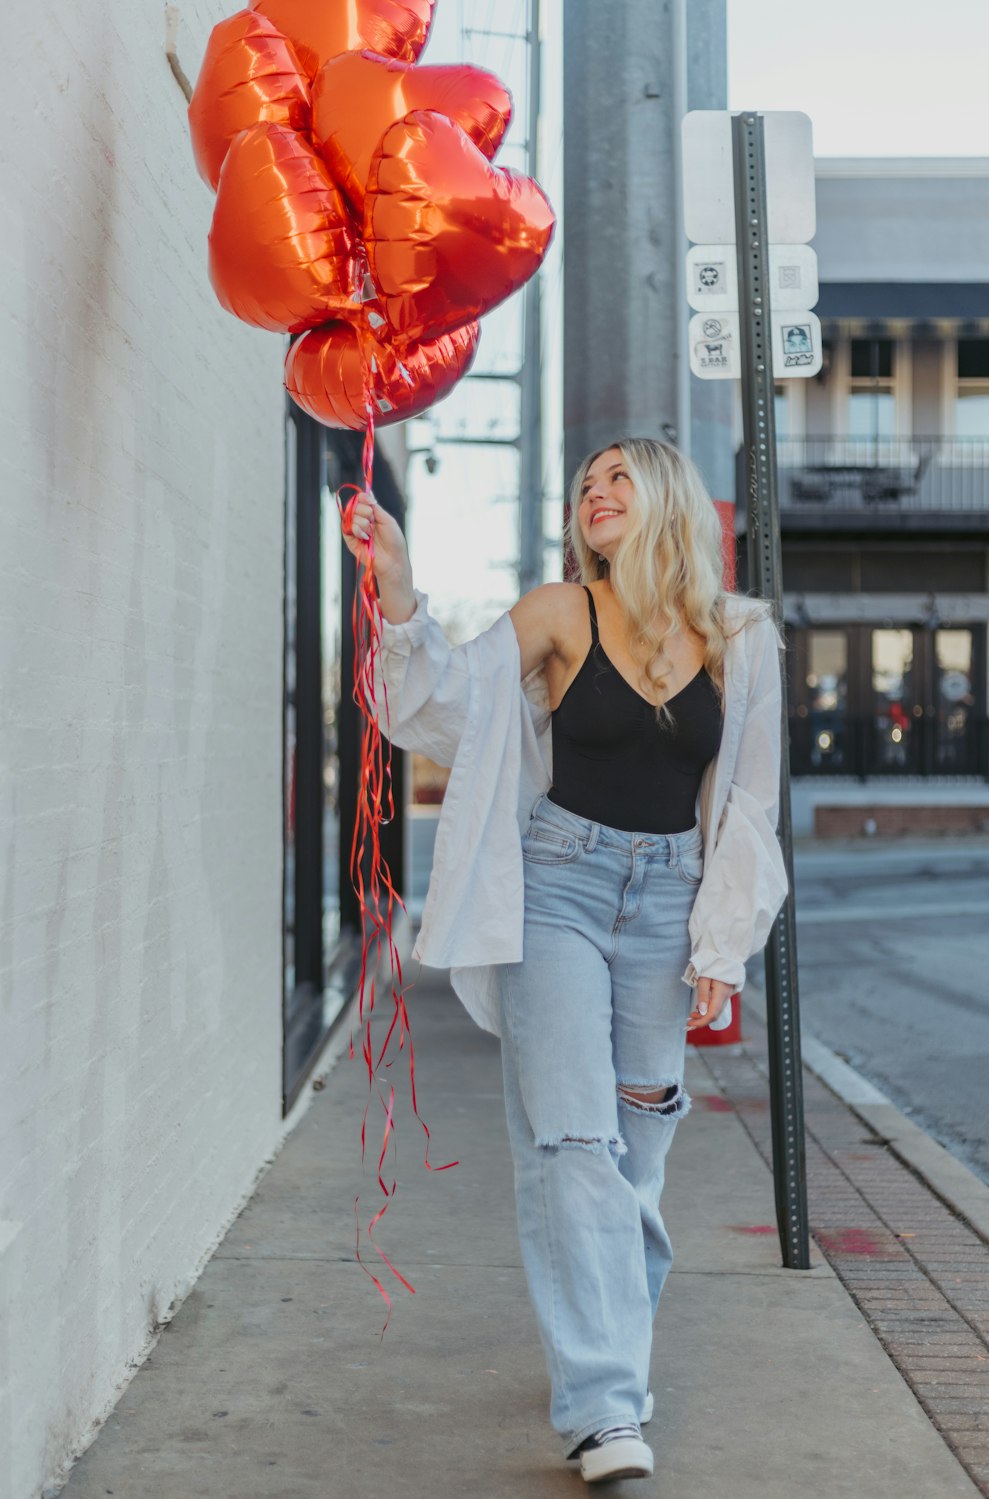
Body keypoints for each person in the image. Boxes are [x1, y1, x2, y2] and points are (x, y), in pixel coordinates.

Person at [345, 437, 788, 1484]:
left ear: (666, 497)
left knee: (638, 1144)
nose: (594, 489)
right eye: (584, 479)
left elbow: (752, 799)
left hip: (669, 901)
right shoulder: (557, 613)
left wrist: (721, 937)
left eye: (617, 475)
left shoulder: (739, 635)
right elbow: (441, 703)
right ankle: (603, 1407)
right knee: (574, 1139)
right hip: (557, 890)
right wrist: (400, 592)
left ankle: (607, 1334)